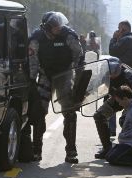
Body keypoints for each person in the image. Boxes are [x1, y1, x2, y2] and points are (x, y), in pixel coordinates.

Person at [28, 11, 83, 163]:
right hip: (45, 75)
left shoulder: (69, 35)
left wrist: (78, 79)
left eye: (60, 25)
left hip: (64, 75)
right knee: (39, 112)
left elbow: (79, 54)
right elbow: (32, 59)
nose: (59, 28)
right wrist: (32, 80)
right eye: (55, 26)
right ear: (47, 27)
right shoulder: (36, 37)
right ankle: (36, 150)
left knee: (69, 113)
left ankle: (71, 150)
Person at [93, 56, 132, 159]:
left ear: (120, 69)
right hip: (116, 98)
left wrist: (130, 109)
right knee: (99, 116)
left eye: (114, 73)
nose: (112, 76)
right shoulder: (104, 74)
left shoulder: (129, 76)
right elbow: (95, 87)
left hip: (131, 101)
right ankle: (107, 148)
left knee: (125, 120)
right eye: (110, 74)